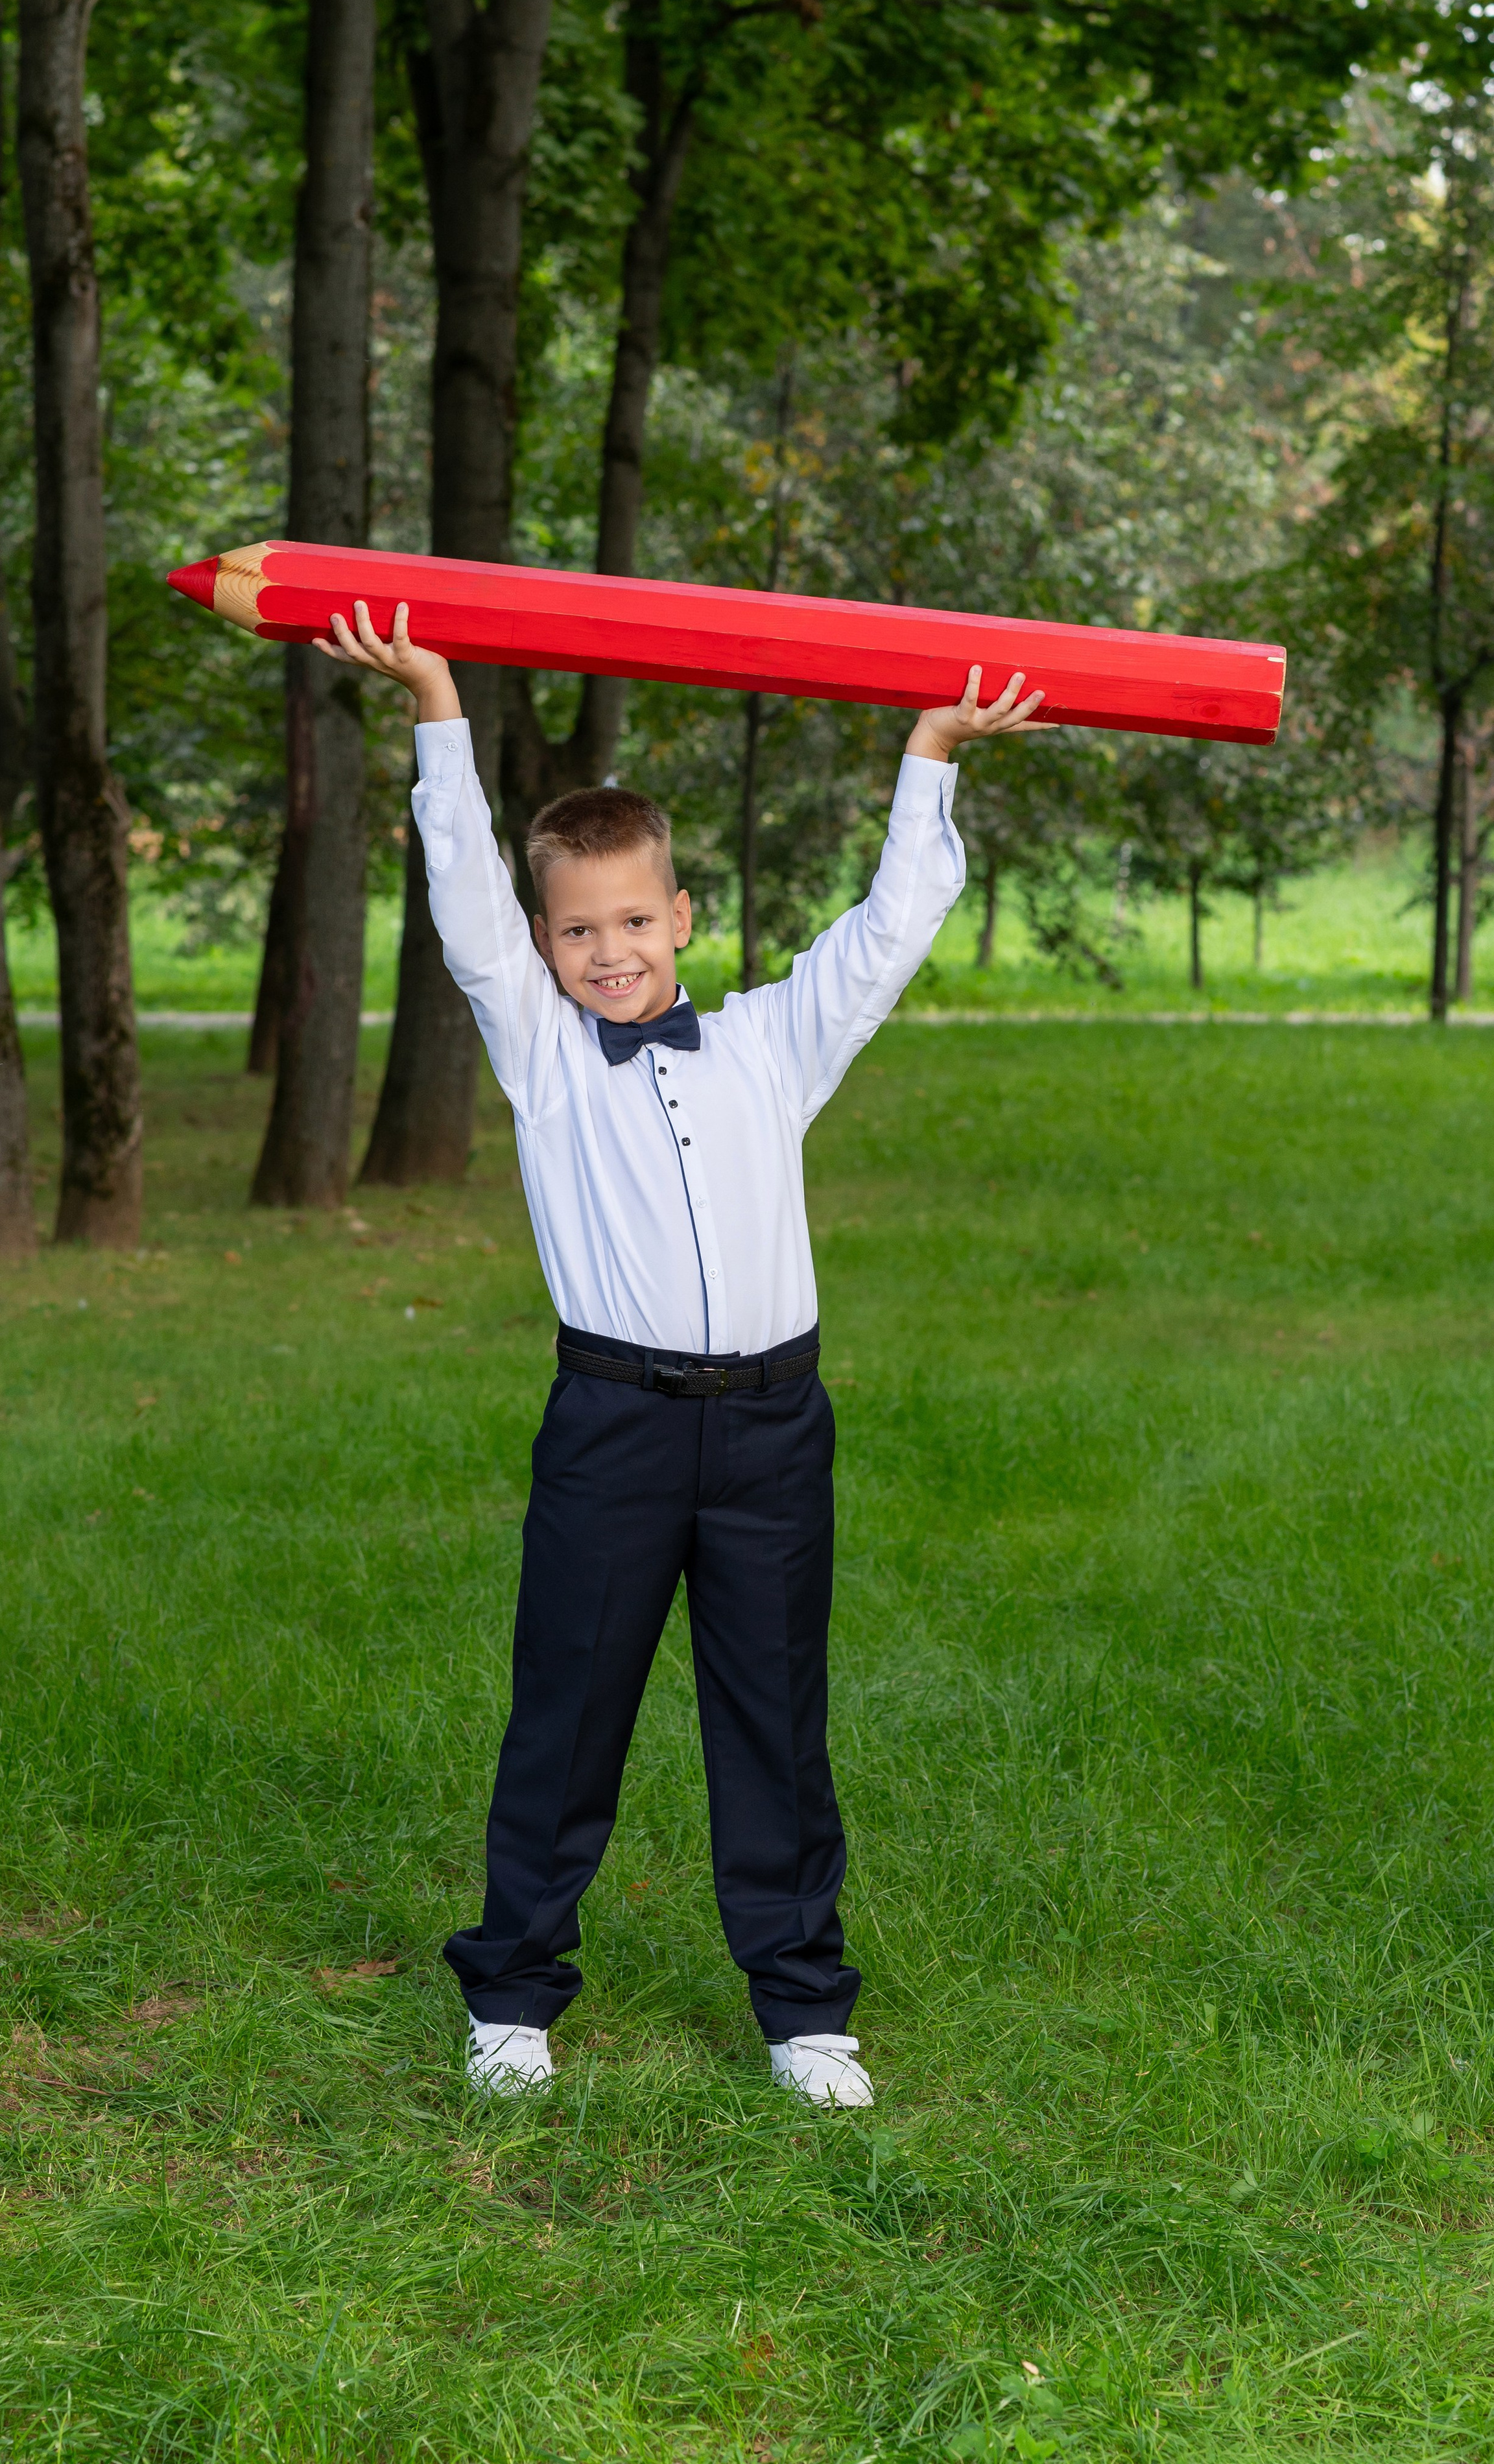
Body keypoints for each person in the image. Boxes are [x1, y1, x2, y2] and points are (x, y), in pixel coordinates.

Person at [318, 598, 1049, 2106]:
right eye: (577, 929)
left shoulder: (775, 1044)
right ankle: (512, 1996)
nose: (609, 950)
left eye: (634, 920)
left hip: (775, 1429)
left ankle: (802, 2013)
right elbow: (460, 895)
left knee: (772, 1718)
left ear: (683, 918)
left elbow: (886, 934)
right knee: (567, 1706)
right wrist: (435, 704)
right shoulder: (535, 1048)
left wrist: (930, 754)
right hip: (615, 1424)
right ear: (546, 943)